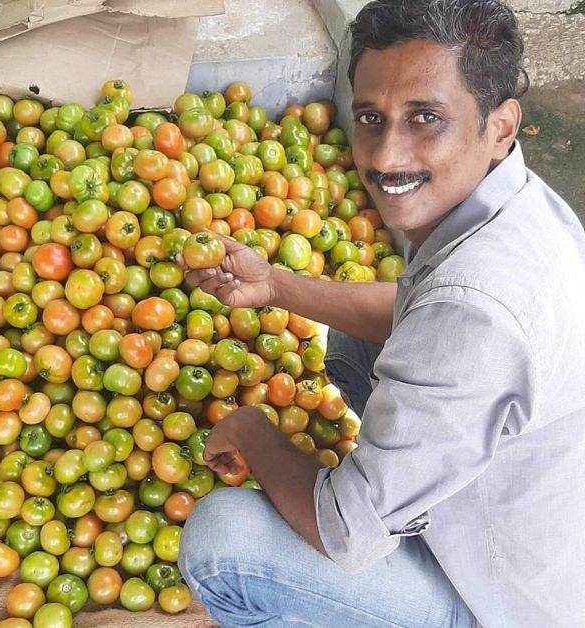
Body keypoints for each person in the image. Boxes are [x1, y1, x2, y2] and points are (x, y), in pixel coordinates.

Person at [175, 0, 585, 625]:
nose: (386, 157)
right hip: (537, 517)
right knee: (353, 342)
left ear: (500, 126)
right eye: (371, 116)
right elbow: (420, 313)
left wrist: (254, 430)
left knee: (224, 542)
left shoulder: (476, 309)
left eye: (426, 118)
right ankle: (398, 480)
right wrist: (273, 285)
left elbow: (347, 534)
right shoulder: (515, 203)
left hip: (497, 597)